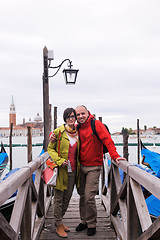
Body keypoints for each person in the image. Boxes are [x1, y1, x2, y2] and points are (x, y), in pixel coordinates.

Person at [75, 105, 126, 236]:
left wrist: (115, 156)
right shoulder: (77, 128)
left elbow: (108, 141)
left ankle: (92, 223)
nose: (80, 116)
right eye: (78, 115)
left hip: (94, 166)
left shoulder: (96, 124)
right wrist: (53, 136)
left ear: (88, 113)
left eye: (82, 114)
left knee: (89, 196)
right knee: (82, 196)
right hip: (80, 167)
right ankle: (83, 220)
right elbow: (63, 136)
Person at [47, 107, 80, 238]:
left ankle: (58, 221)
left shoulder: (79, 131)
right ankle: (59, 224)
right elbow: (50, 148)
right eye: (68, 117)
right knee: (59, 199)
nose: (71, 119)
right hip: (61, 170)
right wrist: (60, 160)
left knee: (67, 198)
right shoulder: (58, 132)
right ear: (64, 118)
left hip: (73, 171)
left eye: (73, 116)